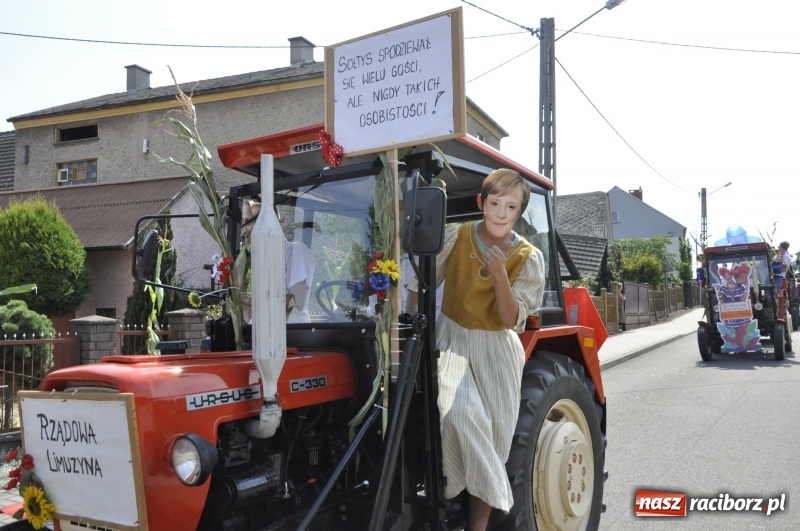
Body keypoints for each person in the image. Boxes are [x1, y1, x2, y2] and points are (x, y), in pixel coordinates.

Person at [411, 168, 545, 530]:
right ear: (481, 203)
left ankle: (477, 527)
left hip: (498, 352)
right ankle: (460, 495)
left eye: (511, 206)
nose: (501, 213)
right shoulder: (456, 237)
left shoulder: (528, 257)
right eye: (495, 203)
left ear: (519, 213)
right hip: (453, 340)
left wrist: (501, 274)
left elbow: (508, 319)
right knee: (461, 416)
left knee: (494, 442)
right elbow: (419, 283)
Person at [241, 200, 315, 323]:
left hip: (290, 337)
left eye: (250, 221)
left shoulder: (295, 250)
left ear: (270, 223)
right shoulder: (259, 261)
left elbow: (296, 301)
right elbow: (250, 317)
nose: (246, 228)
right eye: (244, 221)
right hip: (261, 337)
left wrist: (249, 301)